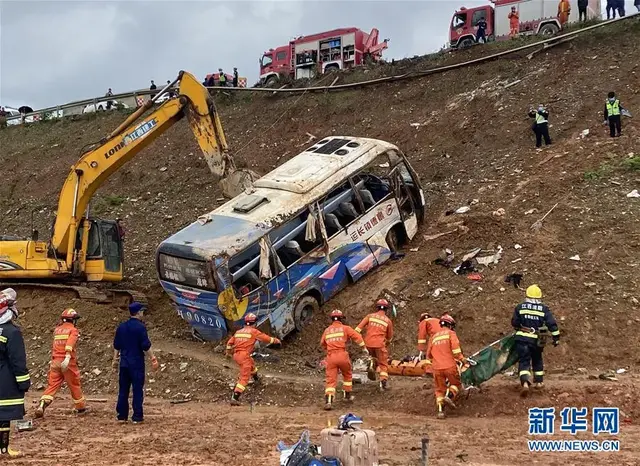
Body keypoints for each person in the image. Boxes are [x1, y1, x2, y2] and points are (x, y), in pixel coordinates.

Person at [35, 308, 86, 418]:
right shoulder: (73, 330)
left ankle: (43, 403)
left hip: (55, 361)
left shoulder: (57, 330)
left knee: (52, 385)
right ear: (72, 320)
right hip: (67, 363)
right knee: (74, 384)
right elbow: (70, 343)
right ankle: (80, 407)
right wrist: (67, 356)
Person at [113, 302, 159, 423]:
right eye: (142, 311)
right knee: (137, 390)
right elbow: (145, 345)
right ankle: (137, 416)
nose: (143, 314)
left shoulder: (121, 327)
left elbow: (117, 345)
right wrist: (153, 358)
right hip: (136, 364)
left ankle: (121, 416)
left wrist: (115, 360)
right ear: (138, 313)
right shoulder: (140, 327)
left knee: (123, 390)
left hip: (124, 363)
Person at [511, 285, 560, 397]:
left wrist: (521, 326)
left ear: (527, 295)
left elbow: (514, 323)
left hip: (522, 339)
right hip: (536, 340)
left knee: (524, 361)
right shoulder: (543, 309)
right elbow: (551, 324)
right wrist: (556, 338)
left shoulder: (520, 307)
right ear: (539, 296)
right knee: (537, 359)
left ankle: (525, 383)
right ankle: (539, 382)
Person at [225, 313, 281, 406]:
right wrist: (276, 341)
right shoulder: (254, 331)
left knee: (251, 363)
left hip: (236, 355)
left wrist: (228, 352)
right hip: (244, 356)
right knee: (244, 378)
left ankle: (256, 379)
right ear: (254, 323)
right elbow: (266, 339)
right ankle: (234, 398)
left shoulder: (238, 332)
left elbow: (229, 342)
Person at [0, 288, 30, 458]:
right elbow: (17, 362)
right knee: (3, 416)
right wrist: (24, 382)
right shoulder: (12, 332)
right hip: (6, 381)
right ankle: (4, 449)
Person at [321, 310, 368, 410]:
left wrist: (329, 350)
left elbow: (322, 343)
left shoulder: (327, 330)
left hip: (331, 357)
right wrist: (363, 347)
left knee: (331, 380)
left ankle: (329, 400)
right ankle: (347, 395)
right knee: (347, 374)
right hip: (342, 355)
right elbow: (357, 336)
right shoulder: (345, 328)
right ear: (341, 319)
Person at [426, 315, 467, 419]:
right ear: (450, 325)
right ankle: (449, 397)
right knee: (456, 384)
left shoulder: (434, 337)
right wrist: (462, 359)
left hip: (436, 368)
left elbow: (429, 355)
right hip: (449, 365)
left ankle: (440, 412)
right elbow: (456, 350)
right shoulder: (451, 333)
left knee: (439, 390)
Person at [356, 299, 393, 390]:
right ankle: (383, 383)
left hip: (367, 343)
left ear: (377, 307)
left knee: (374, 357)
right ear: (386, 309)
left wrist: (360, 343)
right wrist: (386, 345)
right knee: (383, 364)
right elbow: (389, 338)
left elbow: (357, 330)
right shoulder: (388, 321)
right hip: (379, 344)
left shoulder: (370, 316)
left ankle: (372, 364)